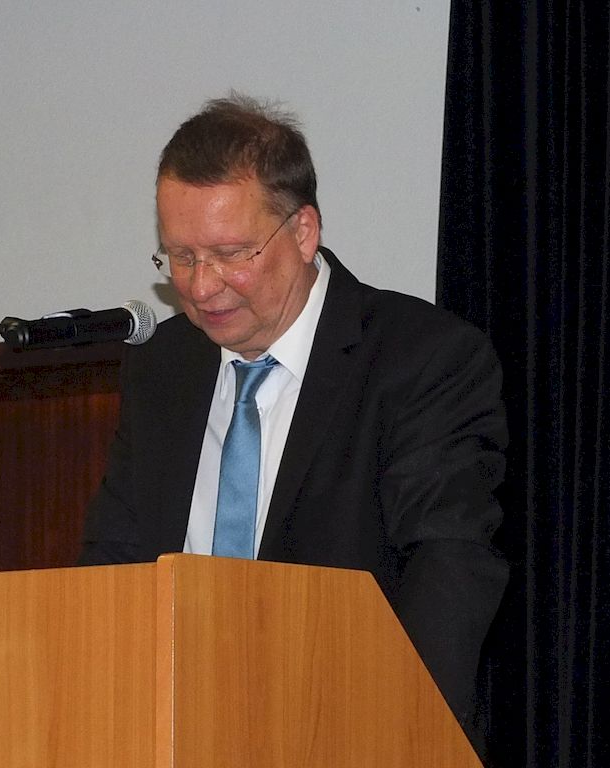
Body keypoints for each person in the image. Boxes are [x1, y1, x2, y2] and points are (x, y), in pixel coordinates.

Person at [79, 94, 509, 743]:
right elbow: (115, 560)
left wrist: (399, 735)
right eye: (181, 257)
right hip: (175, 731)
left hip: (348, 729)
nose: (201, 286)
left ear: (304, 232)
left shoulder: (421, 357)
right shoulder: (164, 365)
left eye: (230, 253)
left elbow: (447, 566)